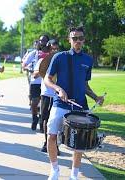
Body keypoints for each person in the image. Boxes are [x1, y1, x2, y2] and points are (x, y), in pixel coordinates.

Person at [44, 26, 105, 180]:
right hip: (60, 104)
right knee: (51, 136)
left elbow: (84, 85)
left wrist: (95, 97)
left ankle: (74, 175)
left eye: (80, 38)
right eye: (74, 38)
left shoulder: (88, 60)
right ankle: (55, 170)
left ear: (84, 40)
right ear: (69, 40)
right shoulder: (59, 57)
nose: (78, 41)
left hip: (80, 106)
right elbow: (47, 79)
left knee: (80, 142)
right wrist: (59, 89)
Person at [33, 39, 60, 153]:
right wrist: (41, 70)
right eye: (52, 49)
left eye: (56, 49)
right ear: (48, 49)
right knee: (45, 119)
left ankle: (56, 145)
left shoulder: (61, 61)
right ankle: (46, 143)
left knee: (57, 120)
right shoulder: (42, 61)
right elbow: (34, 75)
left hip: (57, 94)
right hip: (46, 94)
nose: (54, 51)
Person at [22, 35, 50, 131]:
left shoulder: (51, 54)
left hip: (47, 83)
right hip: (35, 82)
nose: (43, 42)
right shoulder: (33, 54)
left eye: (45, 41)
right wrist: (30, 69)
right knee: (34, 103)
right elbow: (24, 64)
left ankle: (42, 122)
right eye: (41, 40)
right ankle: (35, 118)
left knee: (44, 105)